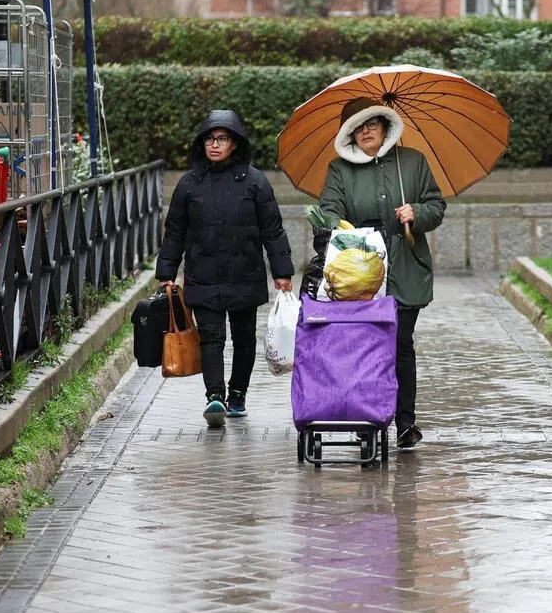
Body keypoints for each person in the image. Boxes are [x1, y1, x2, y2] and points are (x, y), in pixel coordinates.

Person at [318, 96, 446, 449]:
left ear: (386, 126)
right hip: (360, 270)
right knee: (366, 346)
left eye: (371, 123)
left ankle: (405, 422)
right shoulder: (339, 169)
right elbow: (329, 208)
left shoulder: (413, 162)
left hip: (405, 265)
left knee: (400, 344)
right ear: (349, 135)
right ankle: (368, 420)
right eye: (357, 127)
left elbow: (437, 206)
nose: (366, 131)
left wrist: (416, 213)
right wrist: (342, 229)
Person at [155, 110, 294, 427]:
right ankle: (214, 396)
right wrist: (167, 271)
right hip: (203, 274)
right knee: (211, 337)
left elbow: (272, 230)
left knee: (245, 340)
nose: (214, 145)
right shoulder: (189, 184)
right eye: (209, 139)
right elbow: (175, 231)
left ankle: (238, 394)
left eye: (221, 139)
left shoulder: (255, 182)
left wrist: (282, 272)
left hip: (245, 273)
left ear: (235, 143)